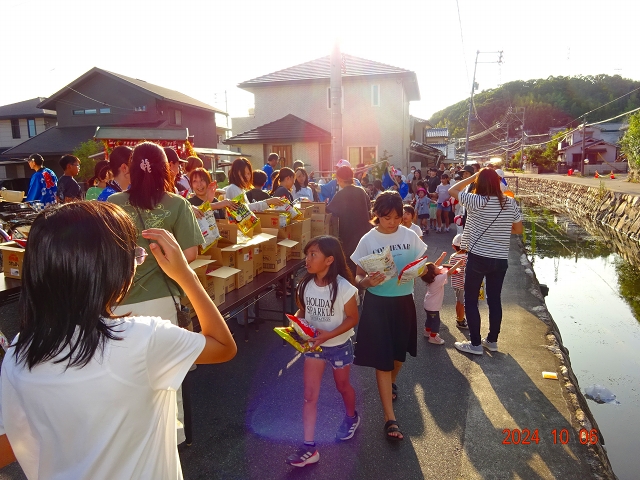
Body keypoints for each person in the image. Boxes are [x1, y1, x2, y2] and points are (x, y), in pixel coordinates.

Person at [0, 201, 236, 479]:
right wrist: (186, 275)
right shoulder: (143, 340)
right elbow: (223, 346)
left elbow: (12, 441)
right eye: (134, 255)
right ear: (110, 271)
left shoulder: (18, 351)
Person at [108, 142, 205, 444]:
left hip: (119, 302)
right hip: (163, 300)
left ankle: (131, 436)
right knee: (166, 375)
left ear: (131, 167)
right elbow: (189, 253)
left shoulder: (113, 202)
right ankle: (170, 439)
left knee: (124, 373)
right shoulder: (177, 204)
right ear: (166, 168)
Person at [350, 191, 427, 441]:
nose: (392, 222)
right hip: (377, 305)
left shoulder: (410, 235)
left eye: (396, 217)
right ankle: (389, 419)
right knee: (383, 360)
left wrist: (426, 270)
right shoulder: (367, 240)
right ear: (377, 215)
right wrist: (367, 283)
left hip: (404, 302)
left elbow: (422, 266)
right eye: (386, 218)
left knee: (398, 357)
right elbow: (357, 277)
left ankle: (391, 382)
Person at [285, 236, 360, 467]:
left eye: (313, 255)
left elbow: (352, 319)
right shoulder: (305, 284)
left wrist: (328, 335)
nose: (307, 260)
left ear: (329, 259)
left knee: (342, 386)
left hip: (338, 346)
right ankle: (309, 447)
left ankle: (351, 417)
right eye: (307, 254)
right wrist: (293, 326)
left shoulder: (345, 288)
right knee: (309, 395)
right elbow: (302, 311)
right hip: (313, 347)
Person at [448, 168, 523, 355]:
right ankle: (492, 341)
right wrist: (500, 232)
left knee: (471, 299)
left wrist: (473, 176)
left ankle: (475, 344)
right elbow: (518, 229)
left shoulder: (476, 200)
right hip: (500, 259)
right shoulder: (510, 202)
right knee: (494, 299)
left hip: (478, 257)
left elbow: (453, 190)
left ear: (479, 182)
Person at [326, 166, 372, 276]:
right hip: (364, 233)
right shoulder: (361, 191)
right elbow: (369, 207)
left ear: (340, 179)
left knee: (350, 265)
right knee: (362, 263)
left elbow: (329, 210)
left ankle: (352, 290)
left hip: (348, 234)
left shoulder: (341, 194)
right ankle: (361, 288)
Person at [421, 252, 465, 345]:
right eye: (436, 268)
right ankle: (433, 337)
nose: (438, 267)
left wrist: (441, 257)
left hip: (427, 304)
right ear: (433, 273)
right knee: (436, 322)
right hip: (433, 307)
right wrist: (458, 264)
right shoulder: (438, 279)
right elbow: (449, 272)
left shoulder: (431, 278)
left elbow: (433, 266)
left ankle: (427, 331)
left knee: (429, 319)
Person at [450, 233, 469, 329]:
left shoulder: (453, 256)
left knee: (458, 301)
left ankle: (459, 318)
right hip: (463, 284)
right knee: (462, 303)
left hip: (456, 283)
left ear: (453, 246)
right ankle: (460, 320)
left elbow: (451, 269)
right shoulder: (467, 257)